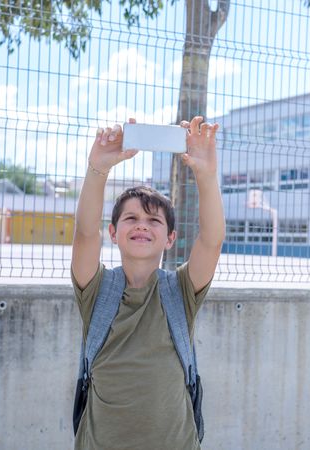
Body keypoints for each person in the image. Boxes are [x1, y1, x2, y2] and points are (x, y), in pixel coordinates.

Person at [70, 116, 225, 450]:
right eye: (131, 218)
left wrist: (206, 174)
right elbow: (84, 234)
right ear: (113, 233)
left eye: (153, 220)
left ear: (169, 238)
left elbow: (211, 242)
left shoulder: (180, 291)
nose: (142, 225)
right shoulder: (97, 291)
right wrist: (98, 169)